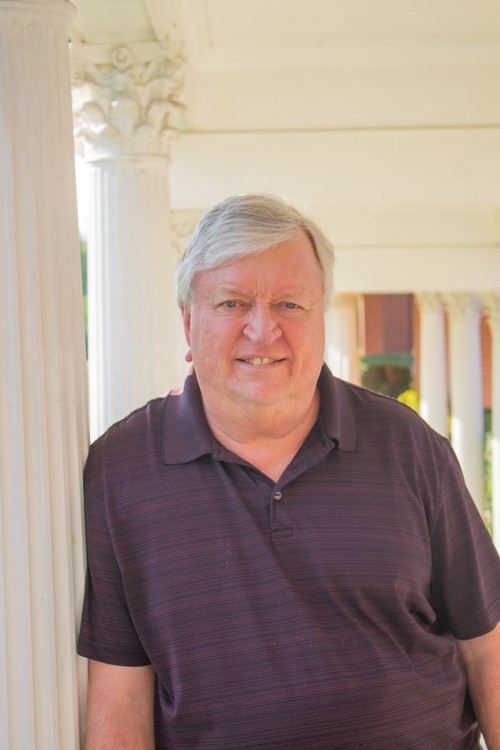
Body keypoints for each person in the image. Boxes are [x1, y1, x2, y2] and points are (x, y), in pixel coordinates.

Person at [78, 193, 500, 750]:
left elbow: (486, 645)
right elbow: (121, 692)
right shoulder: (121, 471)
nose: (263, 330)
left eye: (290, 304)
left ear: (320, 315)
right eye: (232, 303)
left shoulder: (410, 448)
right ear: (188, 321)